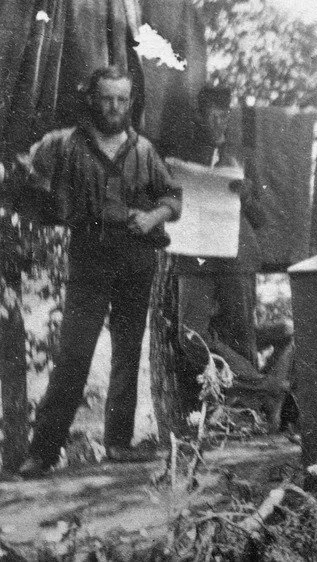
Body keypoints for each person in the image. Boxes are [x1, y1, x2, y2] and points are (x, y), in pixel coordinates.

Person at [0, 66, 182, 477]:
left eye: (122, 99)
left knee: (128, 348)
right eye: (107, 98)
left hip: (137, 254)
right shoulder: (65, 144)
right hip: (90, 253)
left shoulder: (144, 150)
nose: (115, 107)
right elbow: (22, 170)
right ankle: (42, 453)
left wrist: (153, 218)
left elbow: (172, 197)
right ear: (93, 100)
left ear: (130, 102)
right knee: (74, 354)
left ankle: (118, 444)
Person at [165, 86, 267, 392]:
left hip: (236, 254)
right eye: (212, 116)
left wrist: (247, 196)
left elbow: (262, 220)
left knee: (240, 333)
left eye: (224, 116)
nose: (219, 123)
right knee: (190, 334)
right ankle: (264, 386)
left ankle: (246, 405)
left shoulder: (242, 157)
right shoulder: (183, 156)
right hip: (195, 256)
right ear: (198, 116)